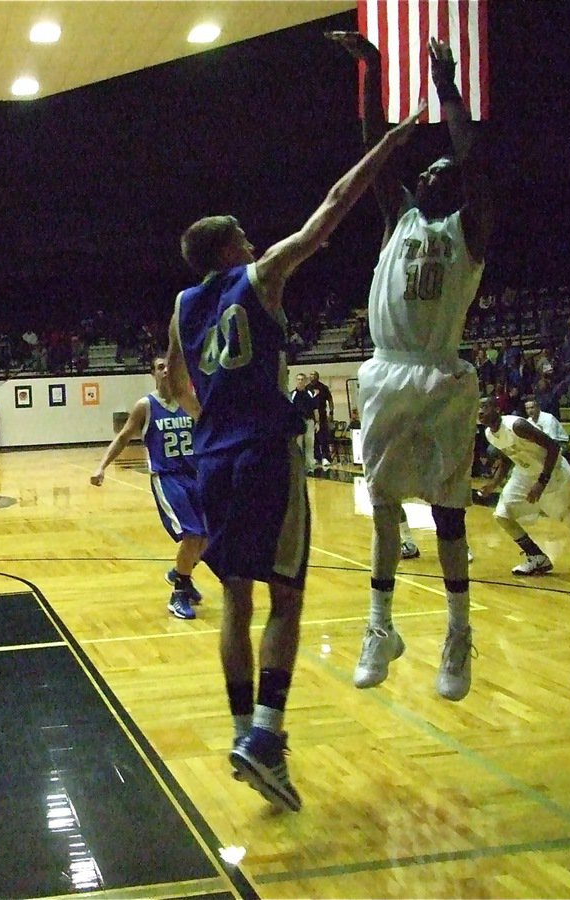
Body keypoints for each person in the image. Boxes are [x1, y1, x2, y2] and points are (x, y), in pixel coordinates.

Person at [164, 100, 424, 813]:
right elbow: (332, 209)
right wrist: (391, 144)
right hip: (264, 453)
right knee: (287, 597)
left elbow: (172, 383)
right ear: (228, 251)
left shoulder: (184, 304)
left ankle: (247, 734)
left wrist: (206, 411)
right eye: (243, 238)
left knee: (235, 600)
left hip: (211, 457)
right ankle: (268, 735)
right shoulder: (263, 276)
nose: (253, 243)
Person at [330, 32, 494, 703]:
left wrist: (447, 87)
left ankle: (458, 635)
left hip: (439, 375)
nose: (424, 176)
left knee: (449, 514)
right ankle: (381, 627)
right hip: (387, 371)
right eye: (421, 173)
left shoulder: (468, 228)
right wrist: (369, 70)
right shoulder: (398, 219)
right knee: (386, 507)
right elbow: (373, 155)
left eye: (437, 174)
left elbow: (476, 158)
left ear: (454, 188)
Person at [91, 356, 207, 620]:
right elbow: (123, 437)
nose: (166, 370)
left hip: (194, 475)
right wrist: (101, 467)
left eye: (169, 365)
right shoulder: (146, 405)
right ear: (152, 374)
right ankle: (178, 594)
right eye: (160, 367)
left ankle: (181, 574)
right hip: (167, 477)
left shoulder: (190, 400)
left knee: (208, 538)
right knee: (191, 535)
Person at [476, 396, 570, 575]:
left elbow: (553, 447)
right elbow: (507, 458)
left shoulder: (517, 426)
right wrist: (493, 484)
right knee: (502, 515)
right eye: (478, 408)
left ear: (497, 409)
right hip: (524, 474)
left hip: (553, 473)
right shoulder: (490, 434)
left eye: (485, 407)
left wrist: (541, 483)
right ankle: (536, 557)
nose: (480, 412)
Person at [288, 373, 317, 472]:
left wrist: (317, 422)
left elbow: (315, 408)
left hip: (309, 421)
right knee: (298, 445)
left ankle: (310, 467)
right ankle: (299, 468)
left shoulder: (309, 393)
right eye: (298, 379)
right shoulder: (292, 394)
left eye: (302, 379)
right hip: (297, 423)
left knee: (310, 444)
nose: (300, 381)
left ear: (305, 381)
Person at [308, 371, 335, 466]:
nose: (312, 377)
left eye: (314, 375)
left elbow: (330, 400)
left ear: (317, 377)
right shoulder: (307, 388)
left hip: (322, 415)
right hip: (311, 417)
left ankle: (325, 457)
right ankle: (316, 457)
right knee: (314, 438)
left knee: (324, 437)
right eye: (310, 375)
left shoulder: (323, 388)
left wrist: (331, 412)